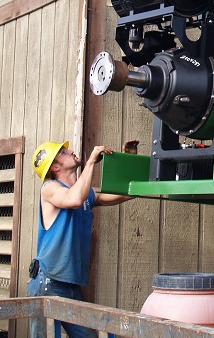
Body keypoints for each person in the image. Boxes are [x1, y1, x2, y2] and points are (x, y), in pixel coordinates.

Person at [26, 139, 138, 338]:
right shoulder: (49, 189)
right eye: (62, 152)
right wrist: (91, 161)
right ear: (54, 167)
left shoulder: (87, 193)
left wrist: (129, 159)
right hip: (48, 283)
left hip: (71, 285)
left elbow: (127, 192)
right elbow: (73, 199)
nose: (70, 152)